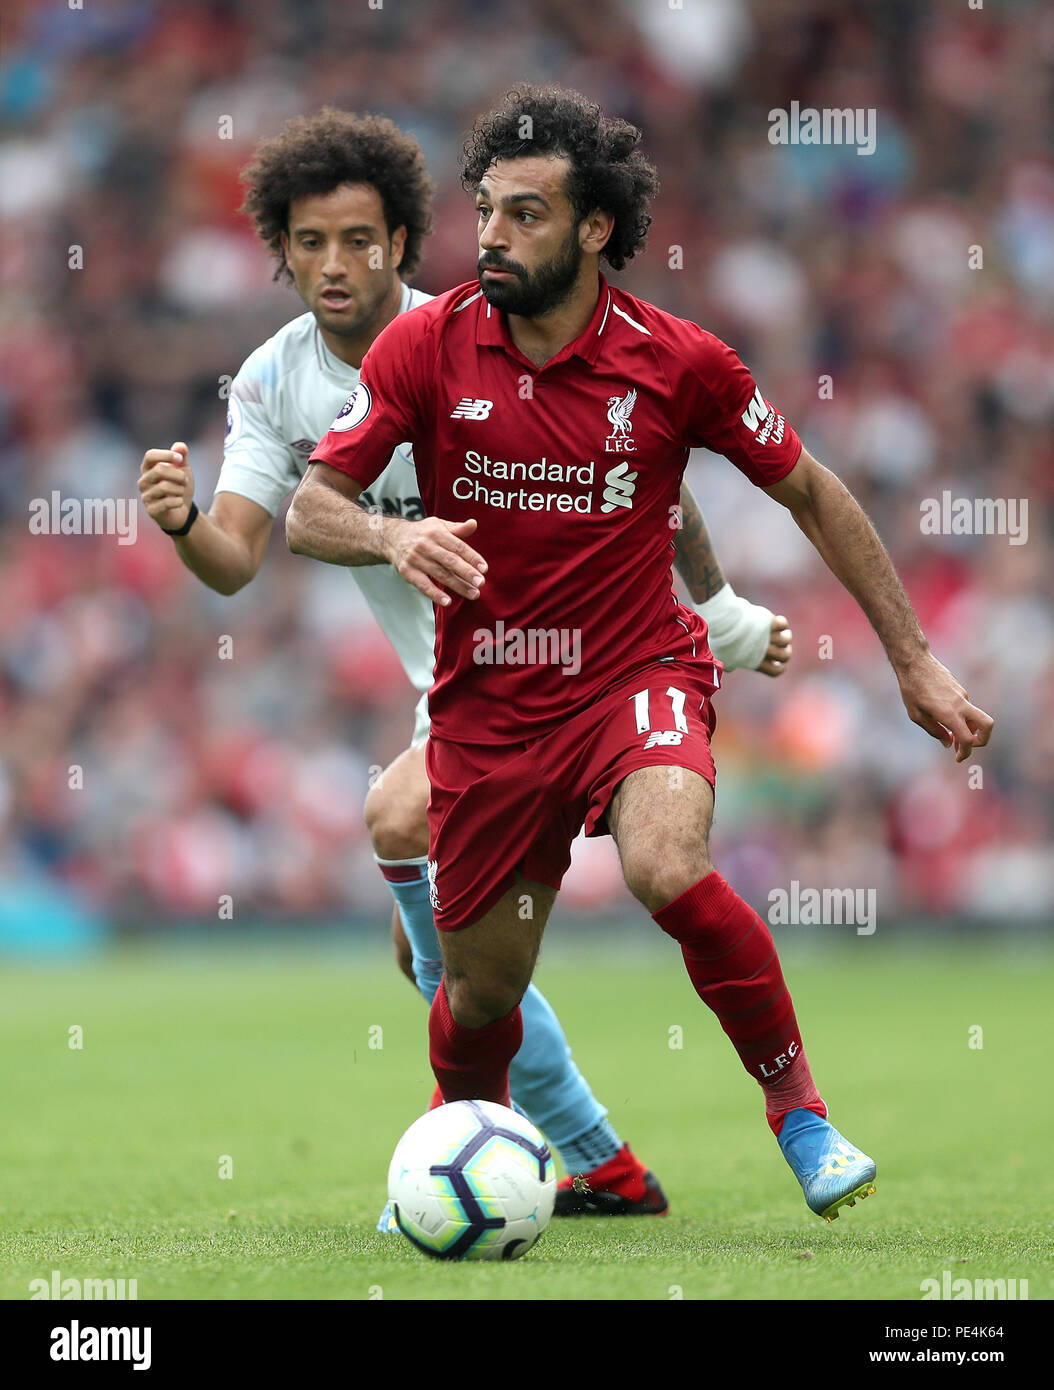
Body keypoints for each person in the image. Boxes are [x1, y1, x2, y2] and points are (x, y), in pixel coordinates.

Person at [288, 85, 994, 1223]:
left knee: (665, 860)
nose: (494, 236)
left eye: (524, 214)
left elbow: (810, 489)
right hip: (490, 712)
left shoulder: (679, 363)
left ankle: (801, 1118)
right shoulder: (425, 343)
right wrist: (390, 527)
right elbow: (309, 508)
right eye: (486, 212)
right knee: (476, 997)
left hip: (635, 677)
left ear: (595, 228)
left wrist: (912, 661)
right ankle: (457, 1148)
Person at [137, 107, 793, 1221]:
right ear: (281, 252)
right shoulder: (273, 384)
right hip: (449, 686)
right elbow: (238, 559)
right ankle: (588, 1162)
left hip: (555, 674)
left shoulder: (475, 330)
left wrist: (720, 610)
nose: (334, 263)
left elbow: (648, 480)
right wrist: (183, 518)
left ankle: (578, 1156)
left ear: (402, 242)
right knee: (428, 960)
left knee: (399, 830)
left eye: (358, 239)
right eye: (309, 243)